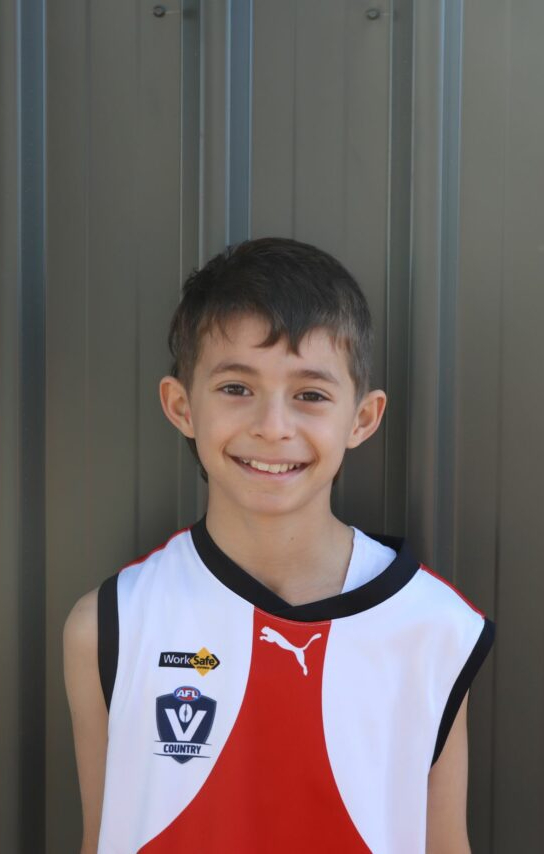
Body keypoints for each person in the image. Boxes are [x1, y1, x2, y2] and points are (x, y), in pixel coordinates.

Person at [64, 236, 495, 853]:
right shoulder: (110, 626)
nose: (273, 427)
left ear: (362, 419)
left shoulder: (435, 627)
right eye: (236, 388)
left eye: (310, 395)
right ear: (181, 406)